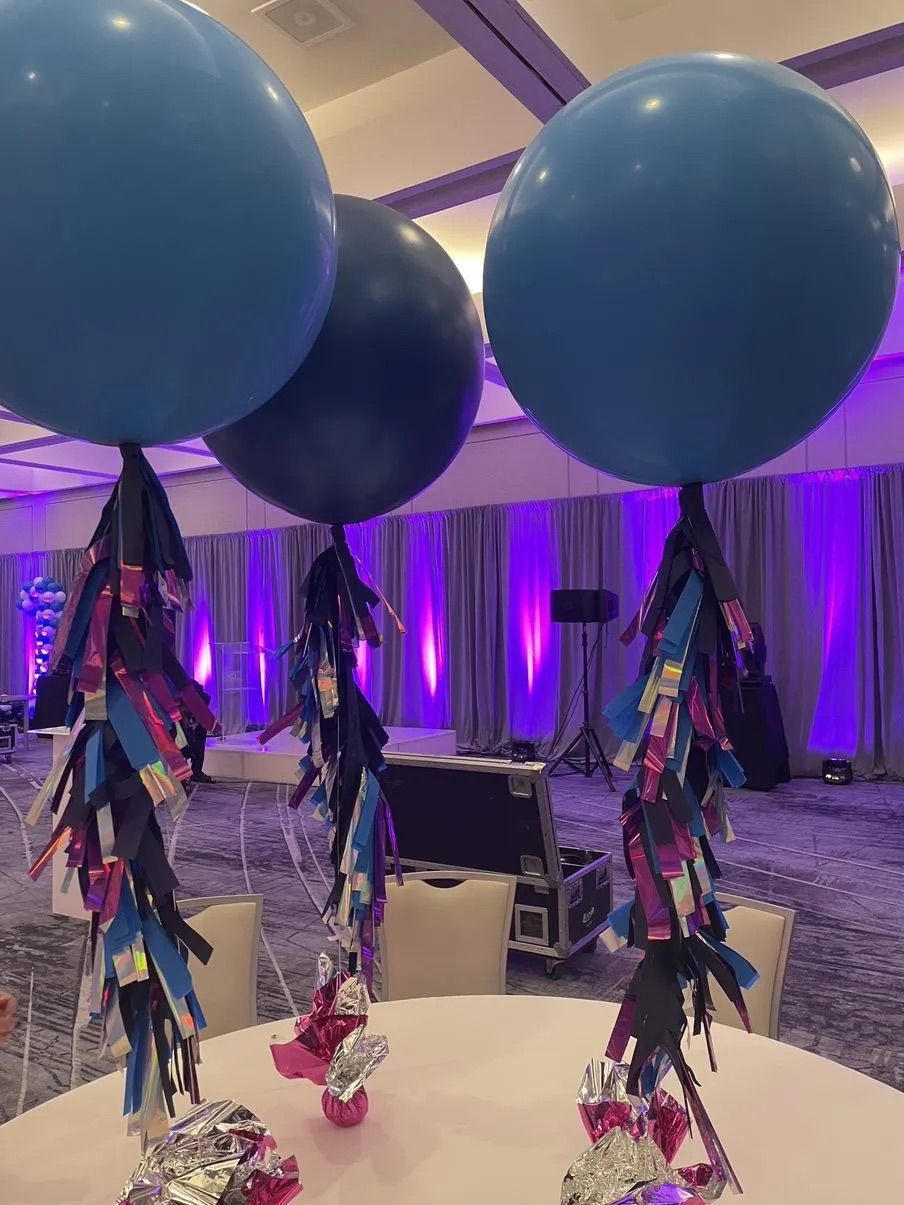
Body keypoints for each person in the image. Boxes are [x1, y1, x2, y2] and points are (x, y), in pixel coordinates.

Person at [183, 678, 215, 785]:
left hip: (197, 717)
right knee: (182, 746)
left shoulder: (203, 697)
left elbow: (202, 712)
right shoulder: (178, 694)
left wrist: (195, 724)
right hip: (179, 716)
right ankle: (182, 775)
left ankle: (196, 772)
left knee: (199, 742)